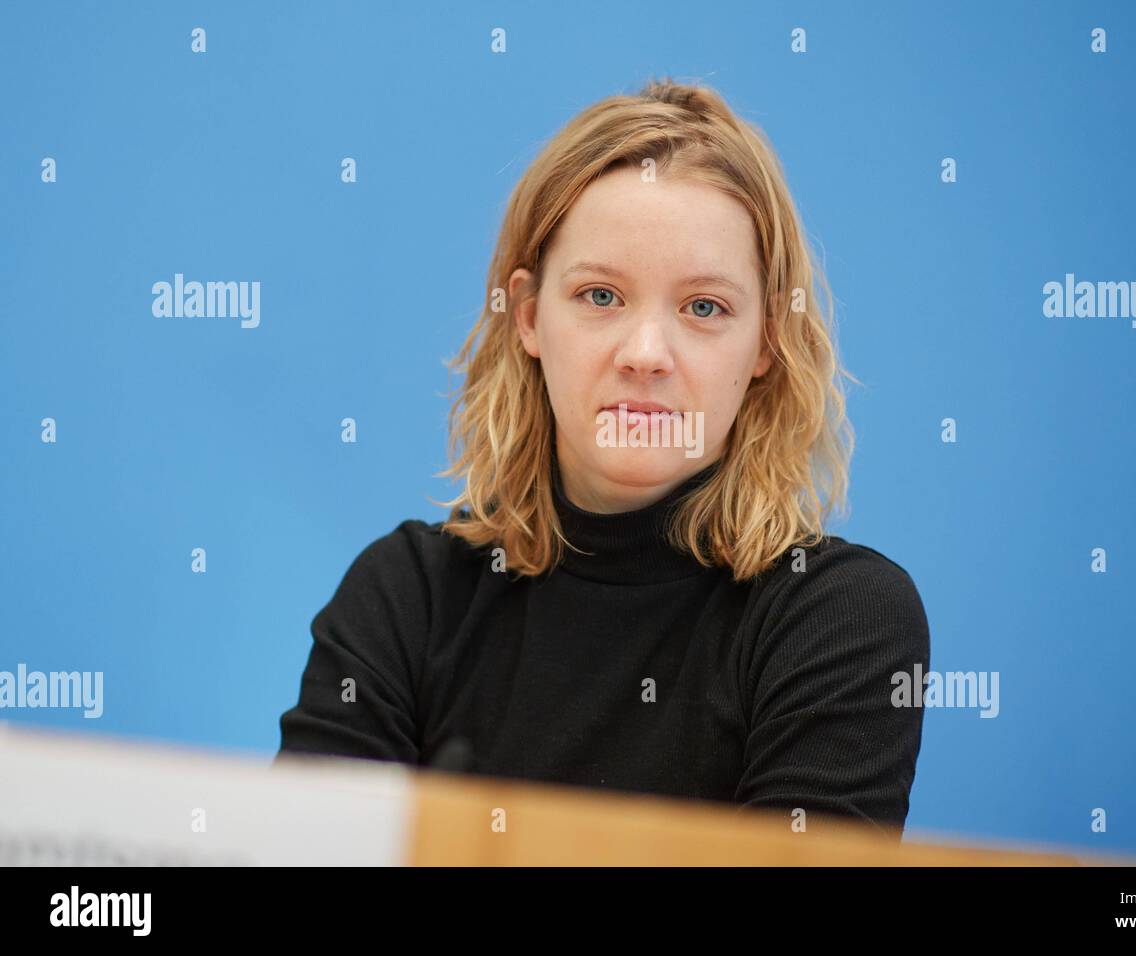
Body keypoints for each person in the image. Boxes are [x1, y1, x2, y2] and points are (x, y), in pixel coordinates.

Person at [277, 78, 930, 837]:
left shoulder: (836, 619)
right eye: (599, 296)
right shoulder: (406, 599)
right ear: (527, 317)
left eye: (704, 308)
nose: (645, 354)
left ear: (767, 342)